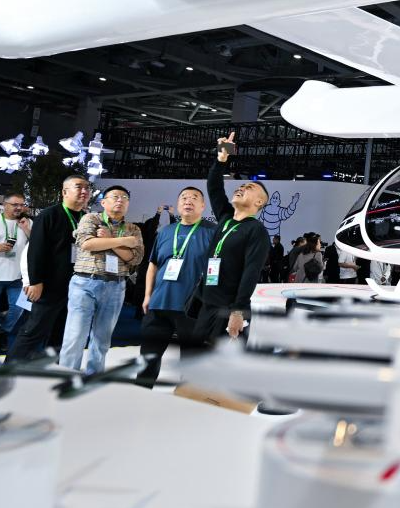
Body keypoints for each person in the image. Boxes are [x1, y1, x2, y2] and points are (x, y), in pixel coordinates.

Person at [189, 132, 271, 345]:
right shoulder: (225, 217)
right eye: (241, 186)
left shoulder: (256, 231)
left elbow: (251, 272)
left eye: (249, 188)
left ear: (259, 202)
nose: (241, 188)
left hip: (229, 310)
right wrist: (221, 158)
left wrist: (238, 311)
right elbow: (214, 187)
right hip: (205, 303)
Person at [135, 186, 216, 385]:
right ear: (178, 204)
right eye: (184, 197)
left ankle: (185, 401)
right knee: (147, 361)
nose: (188, 201)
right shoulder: (165, 231)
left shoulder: (213, 232)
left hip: (192, 307)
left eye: (194, 198)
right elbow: (153, 265)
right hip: (159, 304)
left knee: (191, 366)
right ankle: (139, 396)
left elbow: (218, 267)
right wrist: (148, 295)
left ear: (203, 206)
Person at [59, 185, 144, 373]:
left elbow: (135, 258)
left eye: (124, 198)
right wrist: (123, 241)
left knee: (102, 339)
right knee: (75, 336)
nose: (120, 200)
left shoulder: (133, 228)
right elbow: (87, 243)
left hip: (116, 285)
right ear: (103, 202)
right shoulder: (91, 218)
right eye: (115, 197)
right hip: (84, 283)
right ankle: (67, 376)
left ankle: (93, 376)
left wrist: (108, 240)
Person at [8, 175, 90, 362]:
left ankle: (52, 367)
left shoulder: (86, 219)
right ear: (64, 192)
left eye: (87, 187)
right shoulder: (49, 215)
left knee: (63, 331)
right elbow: (35, 251)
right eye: (79, 187)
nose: (84, 191)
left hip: (76, 286)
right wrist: (34, 281)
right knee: (34, 330)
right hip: (48, 286)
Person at [0, 192, 32, 354]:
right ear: (4, 205)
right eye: (15, 204)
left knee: (19, 308)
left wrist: (26, 229)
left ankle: (3, 331)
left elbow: (37, 244)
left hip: (19, 276)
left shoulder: (27, 222)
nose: (19, 207)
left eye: (22, 204)